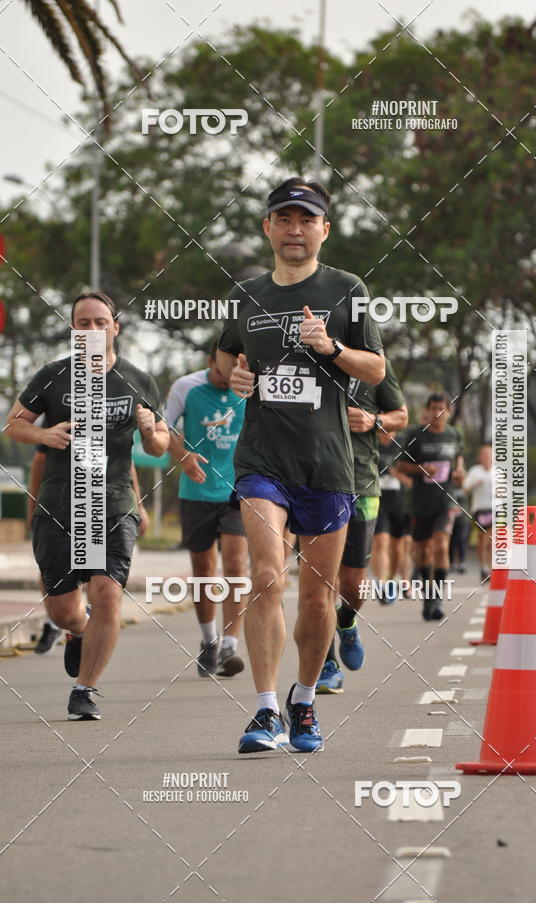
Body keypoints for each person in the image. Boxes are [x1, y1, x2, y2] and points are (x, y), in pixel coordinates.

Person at [217, 176, 384, 753]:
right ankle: (264, 712)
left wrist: (331, 348)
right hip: (262, 460)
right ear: (267, 227)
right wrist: (235, 377)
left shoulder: (347, 289)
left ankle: (305, 702)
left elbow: (377, 372)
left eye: (306, 220)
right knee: (266, 576)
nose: (294, 229)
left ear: (324, 230)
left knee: (319, 596)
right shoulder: (247, 294)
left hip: (328, 465)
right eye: (284, 219)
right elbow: (225, 358)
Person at [5, 291, 169, 720]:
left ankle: (85, 690)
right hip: (60, 502)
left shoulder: (138, 380)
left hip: (113, 502)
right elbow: (14, 424)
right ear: (73, 330)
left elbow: (159, 443)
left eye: (101, 322)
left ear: (115, 327)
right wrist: (43, 435)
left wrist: (151, 434)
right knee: (63, 610)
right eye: (83, 323)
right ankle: (80, 630)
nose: (92, 330)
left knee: (109, 593)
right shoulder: (52, 376)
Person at [316, 359, 407, 693]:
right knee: (319, 582)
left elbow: (401, 415)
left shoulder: (374, 364)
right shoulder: (304, 360)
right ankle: (326, 664)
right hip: (313, 485)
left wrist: (374, 420)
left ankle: (346, 620)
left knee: (353, 586)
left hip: (362, 483)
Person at [165, 342, 248, 678]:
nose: (227, 379)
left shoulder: (251, 388)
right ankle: (209, 640)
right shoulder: (186, 387)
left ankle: (231, 644)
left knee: (235, 562)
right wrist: (182, 456)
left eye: (234, 372)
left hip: (237, 489)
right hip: (196, 491)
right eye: (221, 371)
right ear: (211, 361)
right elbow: (163, 428)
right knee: (203, 570)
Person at [28, 445, 150, 653]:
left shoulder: (111, 422)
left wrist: (138, 504)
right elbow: (40, 461)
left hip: (100, 508)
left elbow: (124, 461)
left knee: (96, 580)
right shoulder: (60, 415)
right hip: (59, 508)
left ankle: (81, 627)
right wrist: (33, 508)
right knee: (50, 571)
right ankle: (70, 621)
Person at [396, 392, 464, 621]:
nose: (437, 413)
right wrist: (421, 469)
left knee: (442, 547)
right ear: (428, 410)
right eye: (434, 408)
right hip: (420, 503)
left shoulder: (453, 435)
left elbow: (459, 459)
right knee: (423, 552)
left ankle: (437, 598)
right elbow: (401, 465)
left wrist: (460, 472)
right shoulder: (416, 435)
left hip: (445, 502)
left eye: (441, 409)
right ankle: (428, 595)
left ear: (448, 411)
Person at [371, 434, 413, 602]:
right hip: (377, 500)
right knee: (380, 541)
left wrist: (396, 473)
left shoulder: (404, 444)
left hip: (400, 502)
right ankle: (381, 585)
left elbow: (411, 478)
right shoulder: (370, 441)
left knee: (401, 546)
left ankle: (400, 581)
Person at [463, 444, 493, 580]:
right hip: (480, 509)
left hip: (495, 509)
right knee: (483, 539)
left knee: (492, 539)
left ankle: (491, 567)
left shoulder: (497, 472)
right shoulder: (475, 471)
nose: (488, 457)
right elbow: (465, 488)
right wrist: (476, 484)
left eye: (490, 455)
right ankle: (483, 567)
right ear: (480, 457)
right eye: (485, 455)